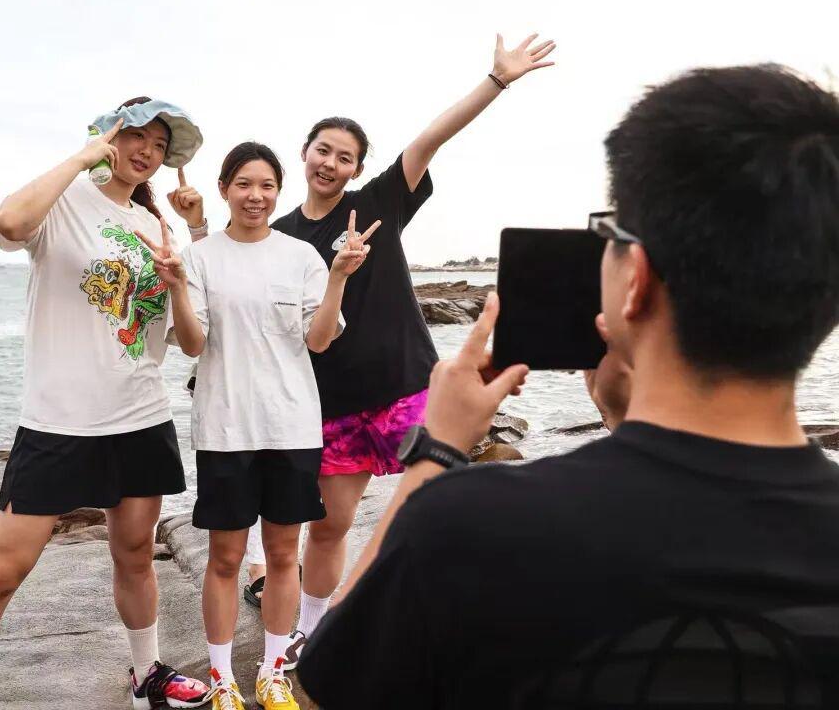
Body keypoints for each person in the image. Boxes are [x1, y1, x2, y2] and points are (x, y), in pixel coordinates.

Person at [298, 64, 839, 707]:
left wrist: (435, 454)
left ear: (635, 279)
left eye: (607, 232)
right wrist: (621, 416)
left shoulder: (472, 523)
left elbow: (328, 682)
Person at [267, 33, 556, 664]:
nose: (330, 163)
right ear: (305, 153)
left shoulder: (376, 202)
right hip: (334, 401)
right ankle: (312, 633)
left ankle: (463, 614)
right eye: (323, 150)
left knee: (443, 505)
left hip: (407, 387)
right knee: (330, 526)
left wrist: (497, 80)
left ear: (356, 169)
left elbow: (428, 141)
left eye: (345, 157)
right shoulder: (281, 236)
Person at [0, 97, 213, 710]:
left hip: (140, 416)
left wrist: (187, 258)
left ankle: (147, 675)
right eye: (137, 136)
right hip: (57, 422)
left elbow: (185, 336)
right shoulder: (64, 200)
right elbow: (9, 223)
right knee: (1, 576)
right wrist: (81, 159)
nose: (148, 151)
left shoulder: (153, 224)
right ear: (108, 135)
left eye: (160, 146)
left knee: (136, 555)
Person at [137, 141, 376, 710]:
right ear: (223, 189)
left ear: (278, 192)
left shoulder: (302, 257)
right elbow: (192, 344)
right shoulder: (200, 257)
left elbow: (319, 339)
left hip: (292, 427)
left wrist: (339, 276)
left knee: (284, 554)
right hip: (225, 430)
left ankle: (272, 673)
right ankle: (223, 678)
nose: (255, 196)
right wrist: (175, 286)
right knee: (224, 559)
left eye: (267, 185)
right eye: (243, 184)